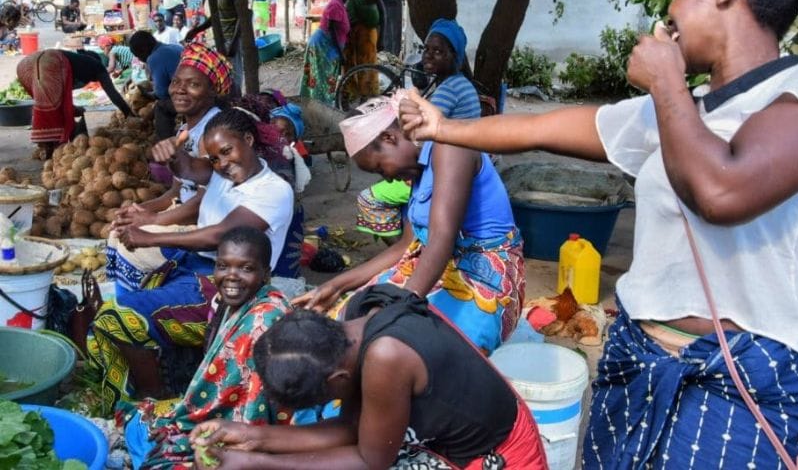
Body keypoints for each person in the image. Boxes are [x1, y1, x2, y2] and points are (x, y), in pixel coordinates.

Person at [400, 0, 798, 467]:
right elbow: (543, 127)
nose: (670, 16)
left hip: (734, 381)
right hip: (637, 357)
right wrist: (443, 127)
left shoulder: (787, 94)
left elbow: (721, 191)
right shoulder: (682, 107)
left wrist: (665, 83)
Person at [190, 284, 547, 469]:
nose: (327, 405)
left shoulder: (386, 359)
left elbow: (368, 459)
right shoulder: (360, 313)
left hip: (496, 459)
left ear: (338, 380)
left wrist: (257, 464)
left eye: (321, 401)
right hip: (448, 439)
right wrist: (255, 438)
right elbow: (355, 429)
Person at [88, 107, 295, 408]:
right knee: (127, 281)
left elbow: (219, 234)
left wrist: (151, 236)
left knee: (115, 316)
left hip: (229, 285)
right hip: (195, 266)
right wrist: (172, 154)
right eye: (214, 158)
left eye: (227, 152)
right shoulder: (222, 173)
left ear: (248, 140)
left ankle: (156, 401)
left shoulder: (274, 191)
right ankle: (150, 369)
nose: (222, 163)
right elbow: (187, 168)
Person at [295, 94, 524, 354]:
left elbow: (442, 238)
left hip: (484, 277)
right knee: (347, 317)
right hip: (437, 265)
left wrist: (398, 308)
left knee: (404, 346)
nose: (388, 179)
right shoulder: (416, 170)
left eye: (380, 169)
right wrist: (336, 285)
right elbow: (406, 245)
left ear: (390, 138)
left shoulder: (451, 147)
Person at [121, 226, 291, 470]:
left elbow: (251, 403)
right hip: (217, 416)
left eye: (246, 268)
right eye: (223, 266)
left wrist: (184, 424)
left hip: (252, 431)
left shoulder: (263, 322)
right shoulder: (229, 302)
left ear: (265, 273)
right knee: (138, 420)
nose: (231, 276)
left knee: (146, 436)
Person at [107, 42, 233, 292]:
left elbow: (203, 202)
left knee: (129, 243)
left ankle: (141, 310)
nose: (180, 90)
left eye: (193, 84)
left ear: (212, 92)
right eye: (176, 82)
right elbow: (176, 193)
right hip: (184, 216)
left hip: (205, 228)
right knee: (119, 230)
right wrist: (139, 209)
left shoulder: (217, 131)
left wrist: (155, 219)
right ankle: (133, 305)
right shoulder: (185, 131)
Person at [356, 18, 481, 244]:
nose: (429, 56)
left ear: (456, 58)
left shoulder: (450, 88)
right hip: (449, 161)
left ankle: (402, 254)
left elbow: (418, 131)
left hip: (450, 168)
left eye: (438, 51)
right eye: (426, 50)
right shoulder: (445, 84)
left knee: (369, 199)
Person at [16, 49, 133, 158]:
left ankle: (48, 145)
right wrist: (129, 114)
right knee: (51, 109)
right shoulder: (97, 66)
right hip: (48, 63)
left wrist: (73, 109)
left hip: (26, 65)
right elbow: (113, 93)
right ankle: (52, 147)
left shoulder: (74, 63)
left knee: (47, 105)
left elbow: (61, 98)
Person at [188, 0, 242, 90]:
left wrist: (235, 42)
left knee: (234, 76)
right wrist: (196, 30)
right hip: (220, 38)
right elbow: (215, 17)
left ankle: (236, 102)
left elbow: (242, 17)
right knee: (222, 75)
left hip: (231, 38)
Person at [299, 0, 349, 105]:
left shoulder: (337, 3)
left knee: (322, 77)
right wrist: (340, 52)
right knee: (322, 78)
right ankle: (320, 106)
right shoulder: (335, 4)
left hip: (325, 45)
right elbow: (332, 29)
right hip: (323, 46)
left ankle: (319, 104)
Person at [129, 30, 182, 140]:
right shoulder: (175, 47)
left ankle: (166, 144)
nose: (139, 59)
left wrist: (149, 95)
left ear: (143, 50)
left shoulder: (154, 58)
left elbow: (162, 94)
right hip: (202, 91)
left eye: (138, 55)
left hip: (194, 99)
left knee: (161, 107)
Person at [343, 0, 385, 97]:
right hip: (353, 35)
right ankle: (354, 94)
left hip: (367, 34)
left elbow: (383, 14)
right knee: (353, 64)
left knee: (368, 64)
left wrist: (381, 38)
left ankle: (368, 95)